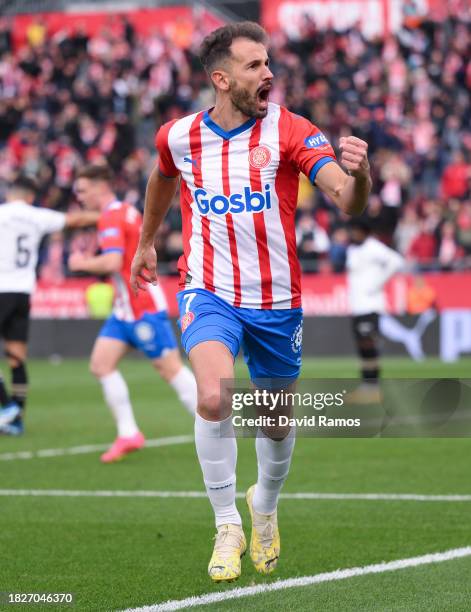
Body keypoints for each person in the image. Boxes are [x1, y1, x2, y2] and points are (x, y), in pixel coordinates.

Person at [130, 22, 371, 583]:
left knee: (276, 420)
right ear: (221, 78)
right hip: (208, 289)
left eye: (268, 64)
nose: (268, 74)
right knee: (213, 396)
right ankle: (226, 524)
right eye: (254, 66)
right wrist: (146, 241)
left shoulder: (290, 129)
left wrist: (360, 176)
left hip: (277, 301)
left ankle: (264, 503)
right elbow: (161, 178)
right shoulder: (179, 135)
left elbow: (345, 198)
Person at [68, 164, 197, 463]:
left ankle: (214, 423)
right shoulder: (122, 210)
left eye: (83, 190)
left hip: (143, 306)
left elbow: (113, 262)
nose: (80, 196)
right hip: (124, 309)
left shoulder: (113, 216)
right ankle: (128, 434)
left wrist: (80, 263)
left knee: (170, 369)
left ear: (101, 188)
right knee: (101, 364)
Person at [0, 175, 100, 435]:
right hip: (23, 292)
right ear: (31, 197)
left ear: (11, 193)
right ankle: (16, 421)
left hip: (1, 289)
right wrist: (109, 215)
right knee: (16, 358)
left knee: (15, 358)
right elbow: (76, 220)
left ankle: (6, 406)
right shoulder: (36, 216)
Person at [346, 219, 404, 402]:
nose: (353, 234)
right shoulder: (353, 249)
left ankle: (372, 389)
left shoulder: (373, 247)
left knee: (369, 347)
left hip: (370, 306)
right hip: (357, 306)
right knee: (363, 349)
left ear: (365, 231)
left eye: (357, 230)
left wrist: (376, 283)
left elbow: (396, 261)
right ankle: (367, 388)